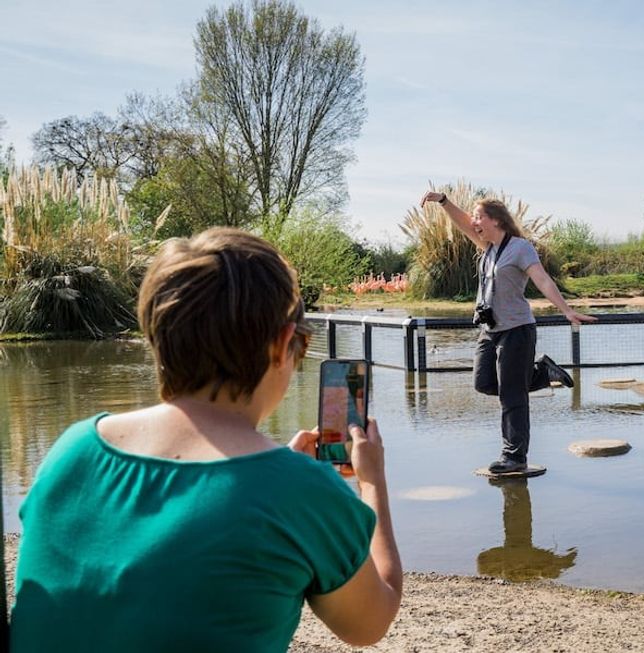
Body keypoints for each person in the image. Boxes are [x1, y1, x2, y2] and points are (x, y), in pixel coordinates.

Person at [11, 228, 402, 651]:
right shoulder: (301, 491)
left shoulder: (73, 450)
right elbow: (370, 624)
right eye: (301, 347)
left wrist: (271, 476)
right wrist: (371, 483)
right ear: (282, 344)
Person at [420, 191, 597, 473]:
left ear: (497, 220)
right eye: (475, 218)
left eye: (479, 217)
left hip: (517, 329)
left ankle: (514, 456)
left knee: (512, 396)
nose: (474, 222)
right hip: (490, 330)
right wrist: (442, 201)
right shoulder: (486, 245)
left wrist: (566, 310)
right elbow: (463, 222)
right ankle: (542, 373)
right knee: (483, 382)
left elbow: (542, 279)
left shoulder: (520, 247)